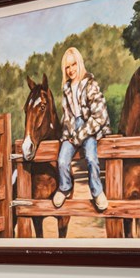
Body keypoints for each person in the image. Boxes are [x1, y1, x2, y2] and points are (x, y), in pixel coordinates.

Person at [53, 47, 109, 211]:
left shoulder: (90, 84)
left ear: (80, 63)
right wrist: (66, 137)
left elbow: (100, 116)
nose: (71, 70)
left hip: (88, 127)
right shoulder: (66, 89)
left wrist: (78, 136)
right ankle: (64, 187)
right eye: (67, 67)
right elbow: (67, 116)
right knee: (62, 160)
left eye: (73, 65)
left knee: (91, 158)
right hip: (71, 130)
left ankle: (97, 191)